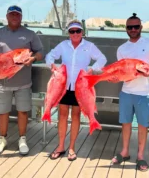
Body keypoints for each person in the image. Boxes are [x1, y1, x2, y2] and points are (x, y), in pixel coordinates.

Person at [0, 5, 44, 155]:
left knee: (23, 111)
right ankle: (2, 139)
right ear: (7, 16)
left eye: (17, 14)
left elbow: (40, 52)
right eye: (12, 14)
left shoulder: (30, 34)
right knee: (2, 111)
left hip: (23, 82)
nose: (15, 17)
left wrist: (34, 58)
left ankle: (22, 139)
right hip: (2, 82)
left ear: (21, 17)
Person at [45, 19, 107, 161]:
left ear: (82, 32)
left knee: (76, 116)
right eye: (72, 31)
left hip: (81, 86)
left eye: (78, 31)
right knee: (62, 115)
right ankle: (60, 146)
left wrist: (92, 69)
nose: (75, 34)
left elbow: (102, 59)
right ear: (68, 33)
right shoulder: (63, 45)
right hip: (63, 85)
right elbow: (50, 56)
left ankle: (72, 147)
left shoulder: (89, 46)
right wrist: (52, 65)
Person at [111, 13, 149, 171]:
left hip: (144, 92)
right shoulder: (122, 49)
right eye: (130, 27)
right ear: (126, 29)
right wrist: (117, 78)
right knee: (125, 123)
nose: (133, 29)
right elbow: (121, 71)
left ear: (141, 27)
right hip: (126, 92)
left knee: (143, 125)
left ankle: (140, 156)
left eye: (136, 26)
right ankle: (125, 151)